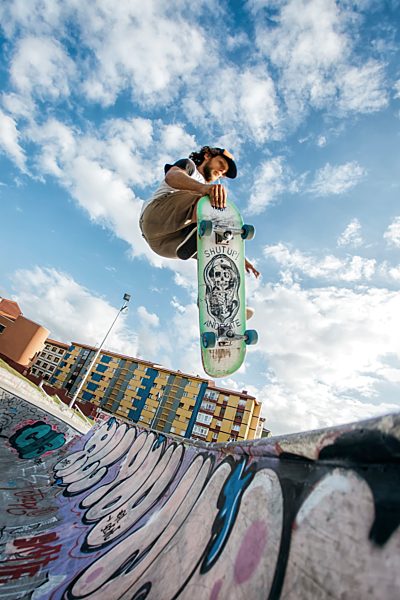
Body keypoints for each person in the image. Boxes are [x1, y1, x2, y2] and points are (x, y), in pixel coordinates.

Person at [139, 146, 260, 280]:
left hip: (167, 245)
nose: (221, 172)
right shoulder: (189, 167)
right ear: (207, 156)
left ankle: (211, 287)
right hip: (156, 216)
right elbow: (172, 176)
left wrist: (238, 255)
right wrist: (203, 188)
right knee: (210, 203)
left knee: (217, 242)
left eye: (223, 173)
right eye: (221, 164)